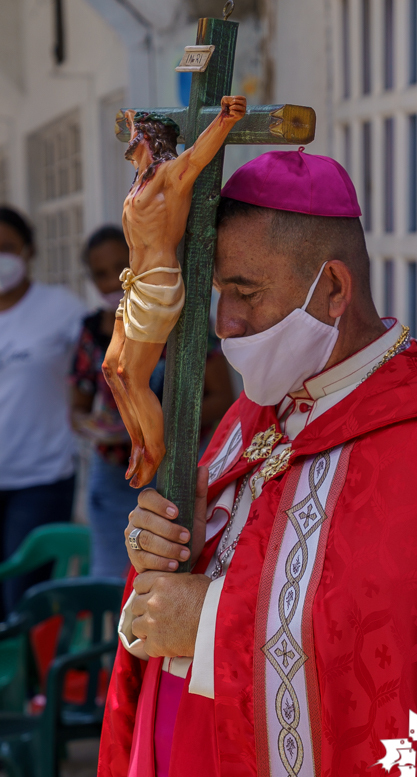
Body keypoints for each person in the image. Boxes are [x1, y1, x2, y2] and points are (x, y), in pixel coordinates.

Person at [97, 151, 417, 777]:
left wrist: (211, 623)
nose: (226, 325)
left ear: (332, 289)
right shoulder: (256, 409)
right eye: (220, 296)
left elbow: (405, 647)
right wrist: (165, 544)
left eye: (245, 292)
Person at [72, 225, 235, 579]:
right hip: (117, 474)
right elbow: (77, 409)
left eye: (121, 265)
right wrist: (100, 429)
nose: (115, 280)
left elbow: (223, 398)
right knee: (114, 581)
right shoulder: (91, 332)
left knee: (172, 575)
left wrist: (152, 429)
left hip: (177, 468)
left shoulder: (183, 322)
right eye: (101, 274)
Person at [103, 97, 247, 489]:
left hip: (158, 285)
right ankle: (138, 440)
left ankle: (154, 449)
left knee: (132, 375)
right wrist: (132, 115)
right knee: (111, 369)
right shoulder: (140, 181)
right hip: (134, 283)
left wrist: (224, 120)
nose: (128, 143)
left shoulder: (169, 176)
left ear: (147, 139)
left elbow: (199, 156)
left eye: (133, 135)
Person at [0, 206, 86, 615]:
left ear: (28, 250)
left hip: (41, 478)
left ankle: (32, 681)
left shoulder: (62, 309)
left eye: (7, 248)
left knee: (25, 600)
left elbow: (104, 367)